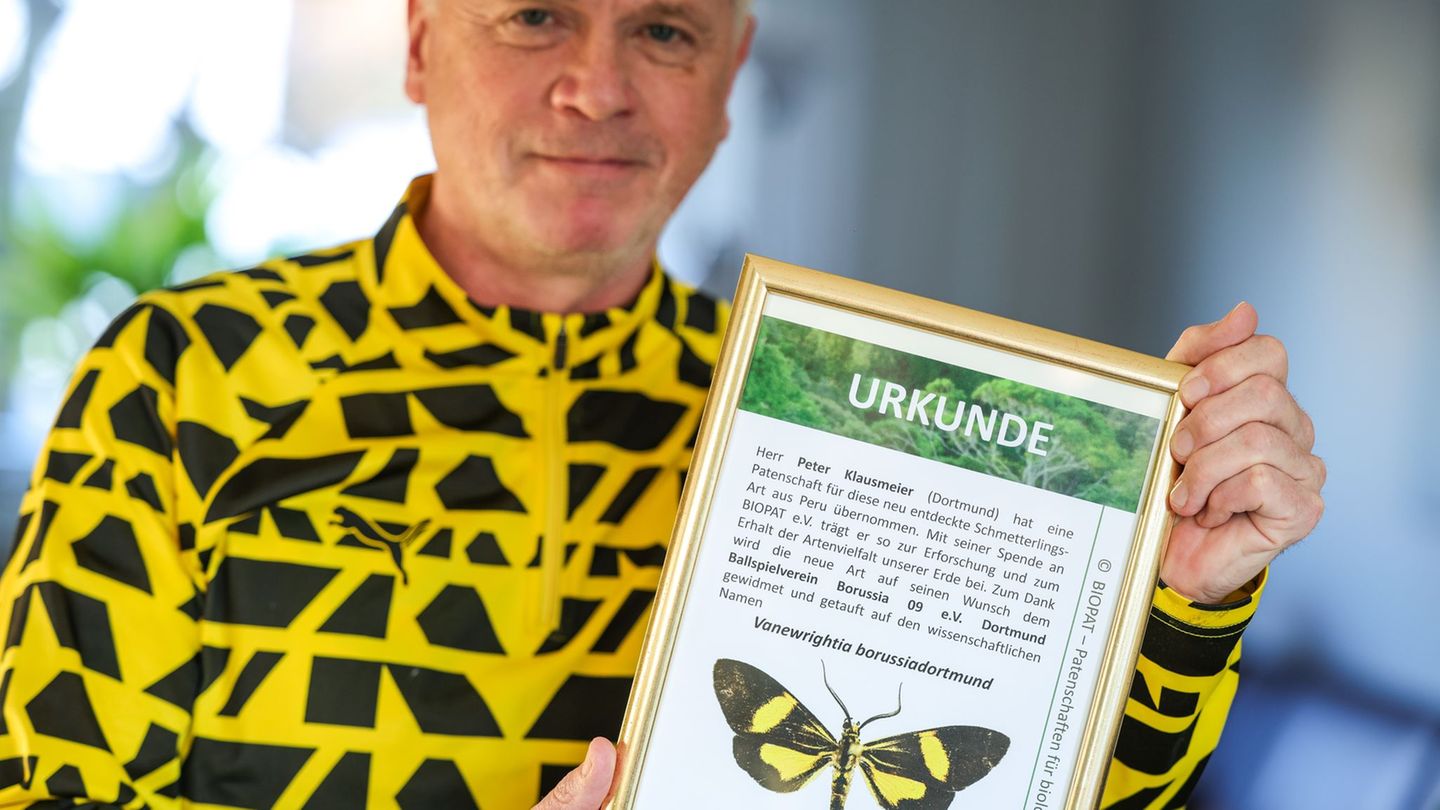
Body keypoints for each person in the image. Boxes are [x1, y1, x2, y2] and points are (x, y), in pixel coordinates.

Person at [0, 1, 1324, 808]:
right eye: (533, 16)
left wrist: (1187, 600)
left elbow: (1061, 787)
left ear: (730, 75)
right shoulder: (189, 374)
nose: (599, 86)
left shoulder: (840, 420)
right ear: (417, 42)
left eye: (666, 30)